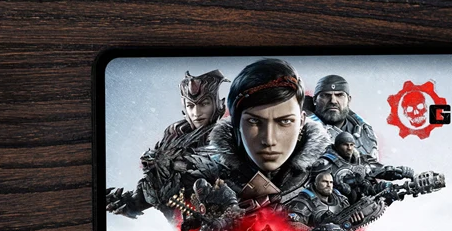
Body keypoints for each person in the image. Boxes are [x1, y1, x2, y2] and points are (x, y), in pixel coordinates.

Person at [191, 58, 333, 204]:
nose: (269, 140)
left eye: (285, 121)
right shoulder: (207, 179)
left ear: (301, 121)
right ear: (236, 122)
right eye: (254, 121)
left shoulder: (330, 173)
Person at [106, 69, 229, 219]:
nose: (196, 112)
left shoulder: (230, 131)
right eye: (190, 105)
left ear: (217, 103)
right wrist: (132, 202)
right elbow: (158, 180)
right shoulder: (176, 133)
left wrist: (184, 165)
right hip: (184, 212)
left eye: (204, 104)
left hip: (223, 207)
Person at [307, 74, 379, 162]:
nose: (333, 101)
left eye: (339, 95)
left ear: (349, 100)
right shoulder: (299, 128)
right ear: (315, 100)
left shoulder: (365, 133)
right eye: (326, 95)